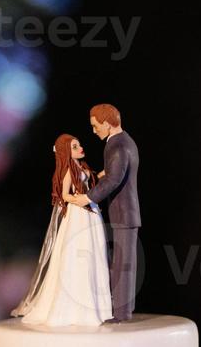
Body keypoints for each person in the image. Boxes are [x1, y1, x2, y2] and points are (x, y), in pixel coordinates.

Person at [12, 133, 112, 326]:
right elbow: (64, 195)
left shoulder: (81, 167)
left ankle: (95, 306)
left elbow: (89, 182)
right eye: (75, 147)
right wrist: (80, 200)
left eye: (79, 145)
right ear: (67, 151)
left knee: (92, 252)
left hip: (89, 212)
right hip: (78, 214)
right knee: (77, 252)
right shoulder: (67, 171)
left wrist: (102, 175)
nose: (80, 148)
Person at [69, 103, 140, 322]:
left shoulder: (117, 145)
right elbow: (115, 172)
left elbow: (114, 179)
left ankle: (121, 313)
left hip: (124, 212)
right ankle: (122, 309)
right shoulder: (122, 141)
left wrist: (87, 197)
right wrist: (101, 174)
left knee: (123, 264)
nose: (94, 130)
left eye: (96, 126)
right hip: (124, 211)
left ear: (108, 124)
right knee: (121, 262)